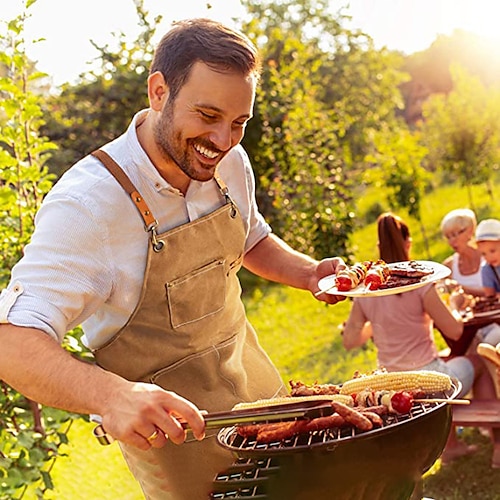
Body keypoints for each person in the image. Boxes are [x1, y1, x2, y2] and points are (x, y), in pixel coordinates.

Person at [0, 19, 346, 500]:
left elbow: (250, 238)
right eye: (207, 116)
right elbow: (12, 343)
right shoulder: (88, 206)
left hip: (259, 393)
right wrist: (110, 395)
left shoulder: (228, 162)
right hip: (180, 438)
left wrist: (308, 272)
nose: (223, 141)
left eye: (238, 123)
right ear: (159, 91)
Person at [342, 212, 499, 465]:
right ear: (407, 243)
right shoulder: (420, 284)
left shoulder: (364, 293)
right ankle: (496, 444)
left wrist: (377, 324)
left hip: (389, 383)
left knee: (452, 360)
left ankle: (451, 444)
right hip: (428, 378)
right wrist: (457, 304)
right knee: (477, 363)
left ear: (379, 247)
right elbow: (455, 331)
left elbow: (350, 340)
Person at [440, 209, 500, 346]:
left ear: (470, 231)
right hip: (472, 323)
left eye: (456, 234)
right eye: (448, 236)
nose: (452, 241)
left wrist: (463, 289)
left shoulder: (490, 257)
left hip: (493, 321)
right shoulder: (448, 266)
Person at [476, 218, 500, 297]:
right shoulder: (487, 269)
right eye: (484, 254)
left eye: (492, 251)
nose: (489, 257)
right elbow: (490, 296)